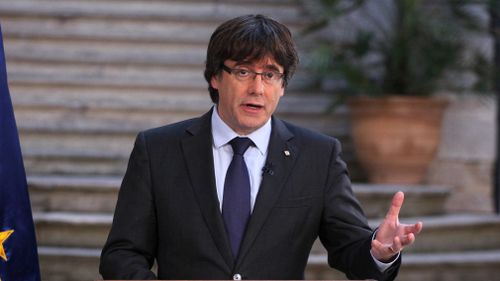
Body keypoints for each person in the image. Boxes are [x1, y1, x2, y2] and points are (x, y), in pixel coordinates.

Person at [99, 14, 422, 280]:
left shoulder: (318, 156)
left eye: (270, 75)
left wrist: (378, 252)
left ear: (282, 86)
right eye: (242, 71)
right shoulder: (158, 149)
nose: (257, 88)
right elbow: (122, 254)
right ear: (215, 76)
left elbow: (349, 250)